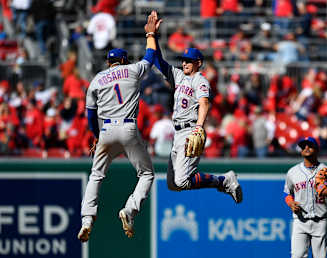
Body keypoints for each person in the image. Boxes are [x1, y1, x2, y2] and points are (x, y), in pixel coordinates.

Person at [77, 11, 160, 242]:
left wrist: (95, 136)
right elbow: (151, 55)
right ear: (124, 60)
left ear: (108, 63)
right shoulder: (133, 71)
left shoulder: (96, 79)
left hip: (105, 131)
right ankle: (130, 210)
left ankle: (86, 219)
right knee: (146, 174)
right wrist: (150, 33)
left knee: (96, 175)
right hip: (128, 128)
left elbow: (90, 114)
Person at [151, 13, 242, 203]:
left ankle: (224, 180)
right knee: (173, 185)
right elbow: (158, 61)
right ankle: (223, 181)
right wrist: (152, 36)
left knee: (182, 181)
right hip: (178, 133)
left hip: (191, 130)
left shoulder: (200, 80)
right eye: (183, 60)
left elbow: (204, 103)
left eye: (189, 61)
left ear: (198, 63)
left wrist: (199, 127)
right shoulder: (179, 76)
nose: (184, 63)